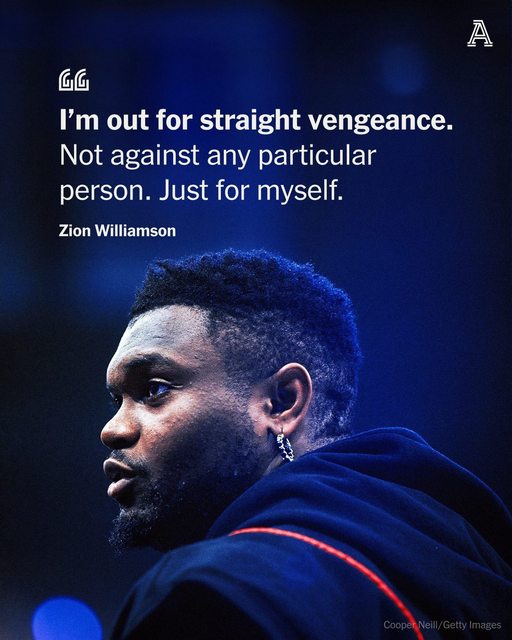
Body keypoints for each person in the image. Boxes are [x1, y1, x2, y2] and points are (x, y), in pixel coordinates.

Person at [101, 249, 511, 639]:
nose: (112, 430)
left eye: (154, 389)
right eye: (117, 400)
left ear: (282, 402)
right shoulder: (475, 567)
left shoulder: (209, 595)